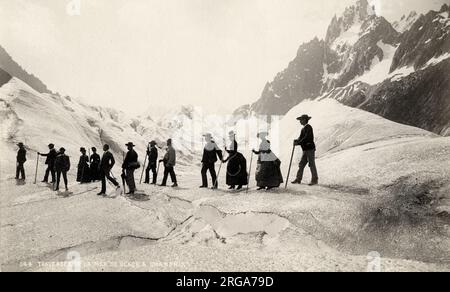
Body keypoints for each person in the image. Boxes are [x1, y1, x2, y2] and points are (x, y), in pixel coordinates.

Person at [292, 115, 319, 186]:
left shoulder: (309, 127)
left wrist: (298, 142)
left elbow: (307, 138)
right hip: (305, 150)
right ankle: (298, 179)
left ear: (305, 120)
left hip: (310, 149)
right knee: (301, 164)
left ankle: (314, 180)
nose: (300, 121)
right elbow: (301, 137)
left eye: (301, 120)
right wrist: (297, 140)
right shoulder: (303, 128)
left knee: (311, 164)